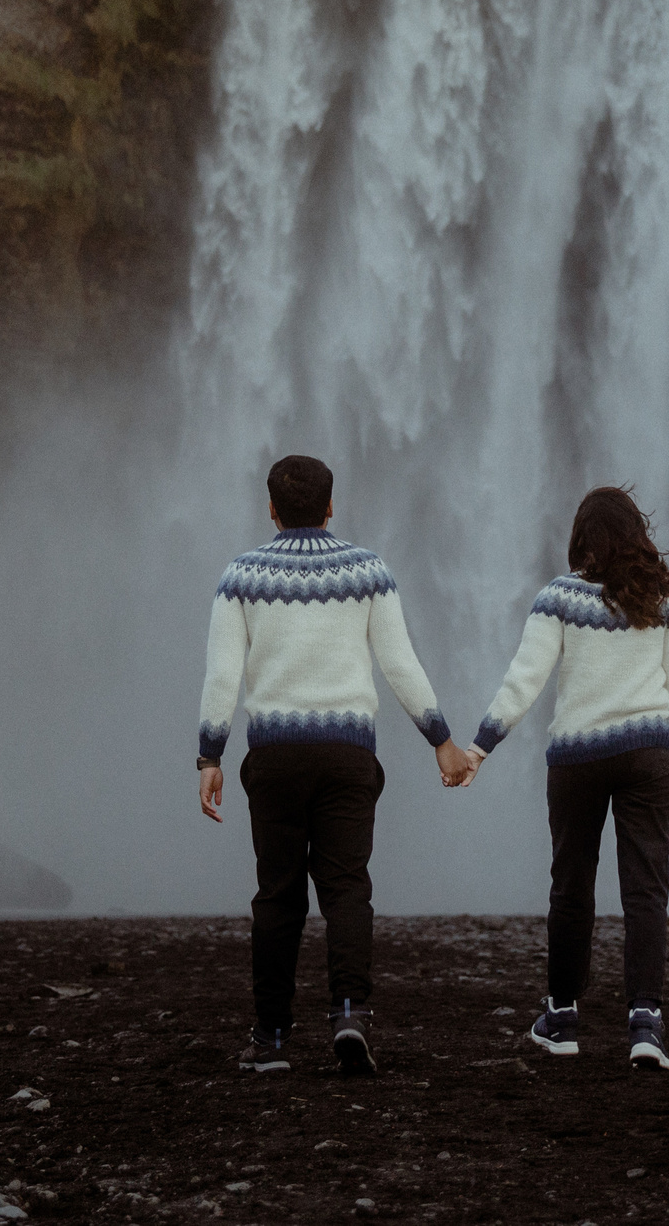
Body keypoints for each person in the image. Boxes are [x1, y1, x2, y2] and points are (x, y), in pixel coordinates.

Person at [197, 454, 477, 1075]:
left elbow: (223, 675)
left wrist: (209, 755)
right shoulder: (368, 571)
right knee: (347, 888)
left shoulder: (240, 576)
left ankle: (270, 1040)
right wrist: (441, 739)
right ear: (331, 506)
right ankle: (349, 1014)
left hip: (273, 754)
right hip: (349, 754)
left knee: (278, 897)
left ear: (270, 508)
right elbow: (399, 664)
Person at [464, 485, 669, 1070]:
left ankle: (562, 1017)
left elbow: (525, 679)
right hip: (648, 755)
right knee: (646, 888)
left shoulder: (558, 598)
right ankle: (645, 1022)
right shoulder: (666, 601)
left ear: (581, 538)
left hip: (577, 759)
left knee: (571, 885)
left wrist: (479, 747)